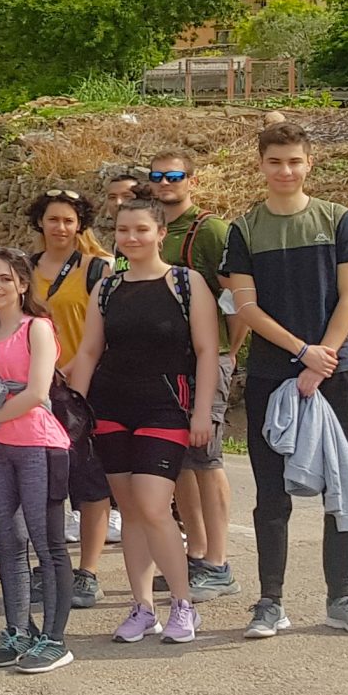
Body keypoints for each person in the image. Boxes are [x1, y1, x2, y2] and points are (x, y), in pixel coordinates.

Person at [226, 121, 348, 639]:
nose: (284, 170)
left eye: (294, 161)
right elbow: (246, 306)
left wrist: (323, 357)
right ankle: (270, 602)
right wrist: (301, 352)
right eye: (274, 162)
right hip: (272, 373)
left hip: (334, 373)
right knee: (272, 493)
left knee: (342, 483)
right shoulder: (244, 230)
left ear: (309, 162)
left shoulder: (337, 220)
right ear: (261, 166)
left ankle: (343, 598)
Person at [72, 201, 220, 646]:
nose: (131, 238)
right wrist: (70, 411)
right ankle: (142, 607)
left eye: (141, 229)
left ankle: (182, 604)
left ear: (159, 233)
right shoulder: (107, 287)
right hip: (111, 406)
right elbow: (89, 352)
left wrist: (201, 412)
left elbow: (208, 351)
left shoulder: (185, 283)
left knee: (155, 507)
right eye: (122, 230)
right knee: (131, 510)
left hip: (166, 407)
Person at [0, 249, 76, 673]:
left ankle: (55, 638)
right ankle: (17, 630)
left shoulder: (37, 329)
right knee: (8, 542)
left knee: (49, 544)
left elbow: (36, 392)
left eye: (5, 279)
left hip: (37, 445)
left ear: (23, 285)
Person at [148, 150, 239, 599]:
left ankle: (219, 561)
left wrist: (229, 351)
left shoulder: (210, 231)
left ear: (191, 180)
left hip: (207, 358)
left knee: (207, 458)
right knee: (179, 461)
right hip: (166, 362)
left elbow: (238, 296)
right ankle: (198, 553)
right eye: (158, 176)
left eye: (174, 176)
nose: (166, 183)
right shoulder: (155, 229)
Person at [30, 187, 117, 608]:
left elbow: (105, 332)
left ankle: (88, 571)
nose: (60, 227)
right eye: (52, 219)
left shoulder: (96, 269)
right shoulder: (23, 269)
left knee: (89, 480)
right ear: (40, 223)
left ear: (80, 224)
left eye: (68, 220)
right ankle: (50, 565)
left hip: (83, 388)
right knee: (45, 481)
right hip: (34, 390)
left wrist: (75, 377)